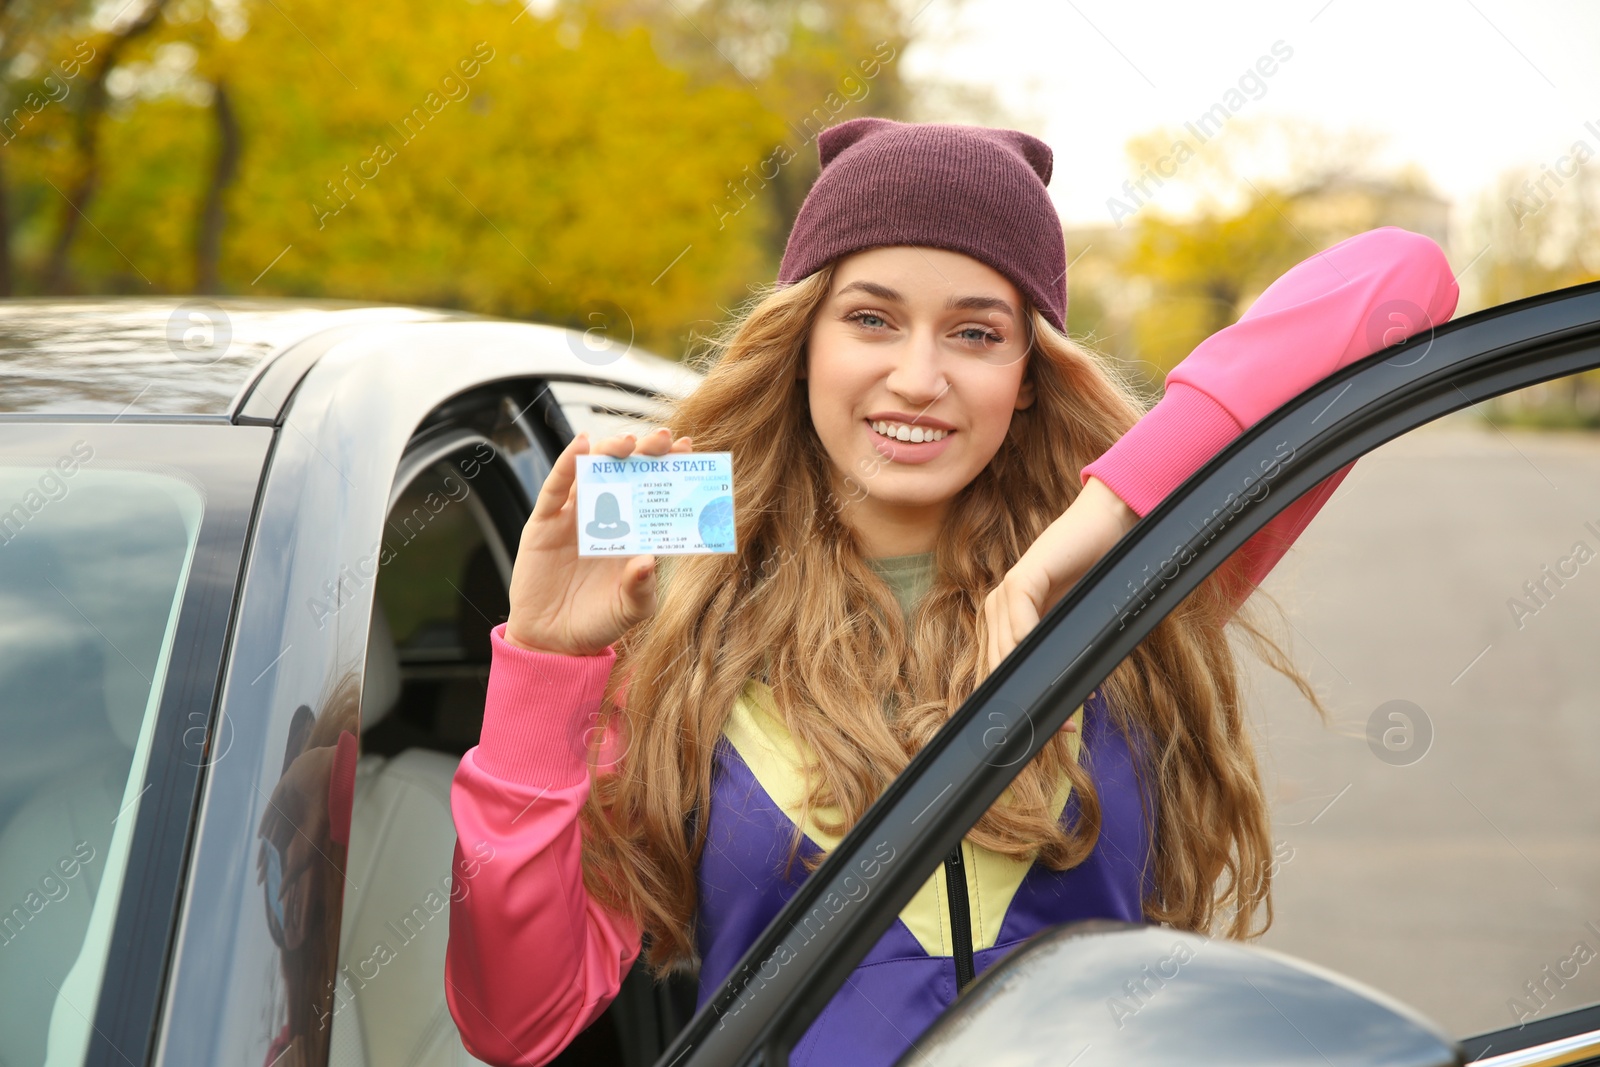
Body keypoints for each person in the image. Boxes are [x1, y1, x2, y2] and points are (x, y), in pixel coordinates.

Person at [444, 117, 1460, 1066]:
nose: (918, 376)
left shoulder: (1134, 574)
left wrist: (1088, 536)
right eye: (871, 319)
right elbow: (517, 1021)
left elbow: (1402, 279)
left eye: (975, 333)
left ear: (1028, 371)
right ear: (805, 342)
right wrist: (546, 659)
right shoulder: (680, 610)